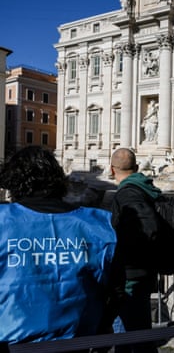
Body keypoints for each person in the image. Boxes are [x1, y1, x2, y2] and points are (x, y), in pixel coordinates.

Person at [0, 146, 118, 345]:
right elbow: (115, 288)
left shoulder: (4, 222)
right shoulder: (97, 225)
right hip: (77, 341)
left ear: (12, 182)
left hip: (13, 340)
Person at [110, 148, 162, 353]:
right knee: (140, 335)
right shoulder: (145, 188)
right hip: (144, 273)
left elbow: (147, 229)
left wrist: (125, 261)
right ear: (137, 167)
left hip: (129, 279)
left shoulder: (127, 194)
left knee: (129, 339)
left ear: (111, 170)